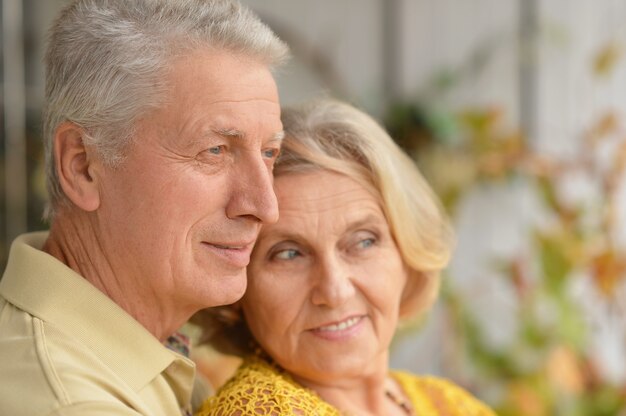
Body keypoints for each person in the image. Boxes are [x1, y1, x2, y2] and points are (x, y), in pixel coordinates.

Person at [0, 1, 289, 415]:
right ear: (82, 165)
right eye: (215, 150)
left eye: (269, 152)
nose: (265, 206)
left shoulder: (140, 352)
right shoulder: (76, 403)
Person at [194, 99, 497, 415]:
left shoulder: (447, 404)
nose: (335, 291)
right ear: (238, 288)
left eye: (363, 242)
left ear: (407, 252)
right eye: (288, 254)